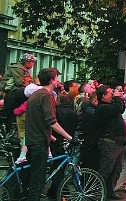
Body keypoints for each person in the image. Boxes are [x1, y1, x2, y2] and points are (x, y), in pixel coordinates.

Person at [24, 68, 78, 201]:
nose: (58, 80)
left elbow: (38, 121)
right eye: (56, 78)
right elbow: (51, 121)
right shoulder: (46, 96)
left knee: (32, 178)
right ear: (51, 80)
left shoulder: (35, 95)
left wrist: (53, 138)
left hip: (32, 140)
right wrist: (70, 138)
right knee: (38, 181)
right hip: (39, 143)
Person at [95, 85, 126, 200]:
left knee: (116, 169)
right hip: (109, 143)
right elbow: (117, 108)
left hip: (117, 143)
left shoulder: (111, 106)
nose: (112, 95)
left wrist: (120, 98)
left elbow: (121, 109)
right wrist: (118, 98)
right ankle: (97, 193)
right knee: (106, 170)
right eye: (110, 94)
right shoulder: (102, 108)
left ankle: (110, 192)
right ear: (103, 96)